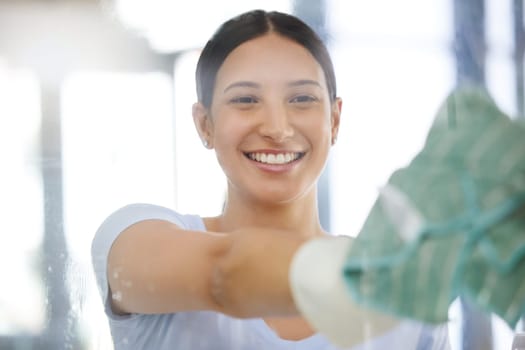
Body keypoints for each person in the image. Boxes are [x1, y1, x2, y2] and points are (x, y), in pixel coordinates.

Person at [91, 9, 450, 349]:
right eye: (246, 100)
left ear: (335, 120)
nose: (277, 129)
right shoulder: (134, 237)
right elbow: (226, 275)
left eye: (302, 98)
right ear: (205, 124)